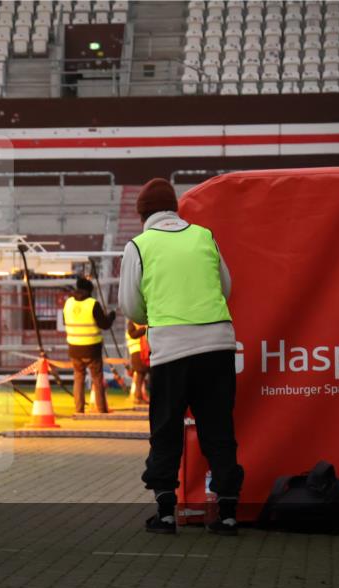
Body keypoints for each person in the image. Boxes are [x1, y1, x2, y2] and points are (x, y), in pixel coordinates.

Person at [118, 177, 243, 536]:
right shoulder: (204, 236)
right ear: (175, 209)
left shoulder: (139, 245)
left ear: (143, 214)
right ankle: (228, 513)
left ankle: (166, 513)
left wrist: (155, 313)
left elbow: (130, 306)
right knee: (218, 427)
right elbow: (226, 287)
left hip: (171, 350)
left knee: (166, 429)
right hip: (217, 345)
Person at [61, 276, 116, 414]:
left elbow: (64, 321)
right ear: (90, 290)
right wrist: (111, 316)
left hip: (74, 348)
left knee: (78, 378)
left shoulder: (68, 303)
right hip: (92, 349)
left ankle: (79, 409)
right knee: (97, 379)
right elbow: (105, 325)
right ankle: (101, 409)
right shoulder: (93, 304)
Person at [125, 319, 150, 405]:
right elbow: (134, 335)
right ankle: (138, 397)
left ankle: (139, 397)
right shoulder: (134, 323)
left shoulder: (133, 323)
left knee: (141, 376)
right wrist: (144, 328)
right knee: (140, 375)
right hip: (138, 351)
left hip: (139, 351)